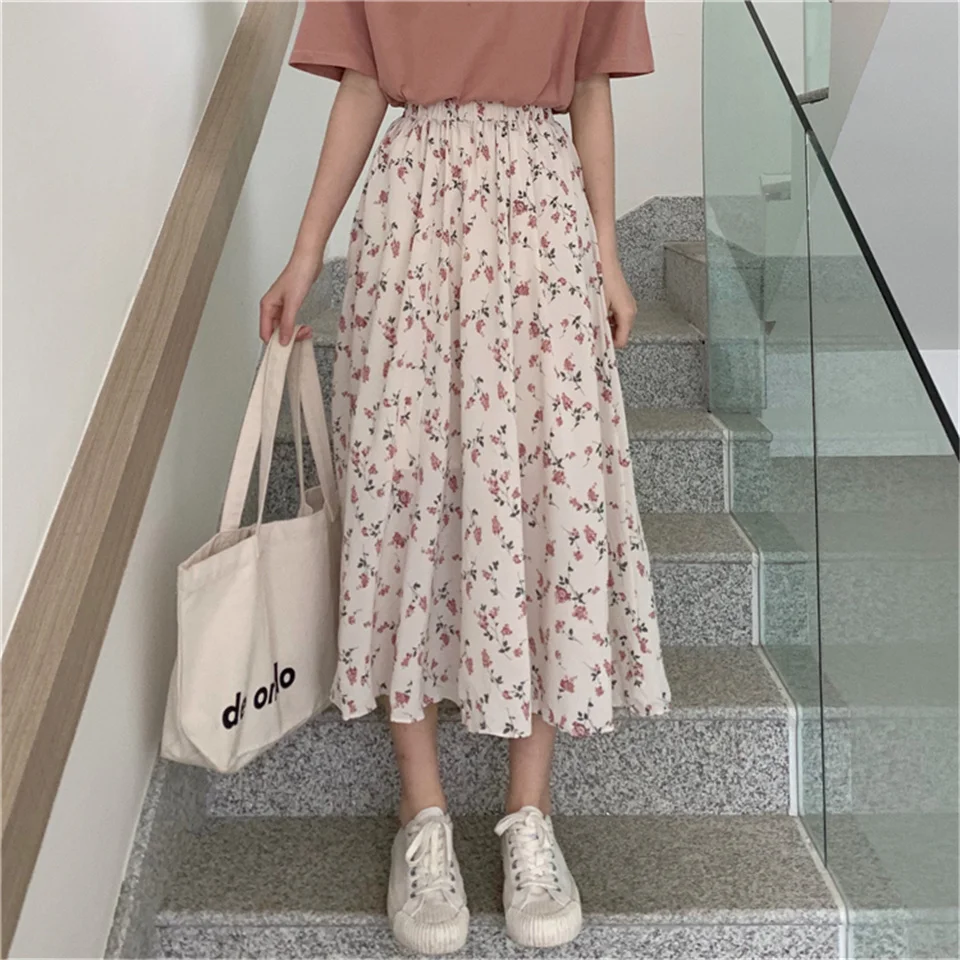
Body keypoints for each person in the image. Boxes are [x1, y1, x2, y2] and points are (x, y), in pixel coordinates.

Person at [260, 1, 671, 953]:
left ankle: (531, 815)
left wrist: (609, 256)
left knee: (549, 499)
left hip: (543, 217)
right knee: (399, 498)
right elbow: (364, 84)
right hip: (412, 217)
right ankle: (423, 815)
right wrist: (307, 251)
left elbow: (589, 87)